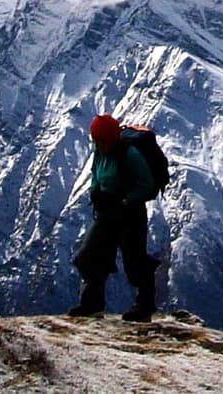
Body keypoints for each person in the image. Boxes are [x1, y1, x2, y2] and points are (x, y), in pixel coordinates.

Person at [68, 113, 160, 321]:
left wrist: (126, 200)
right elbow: (95, 175)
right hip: (107, 213)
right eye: (96, 142)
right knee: (88, 256)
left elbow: (146, 186)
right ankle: (92, 305)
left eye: (102, 142)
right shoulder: (100, 153)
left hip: (130, 215)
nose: (99, 146)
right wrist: (95, 191)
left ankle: (144, 307)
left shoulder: (130, 154)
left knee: (135, 263)